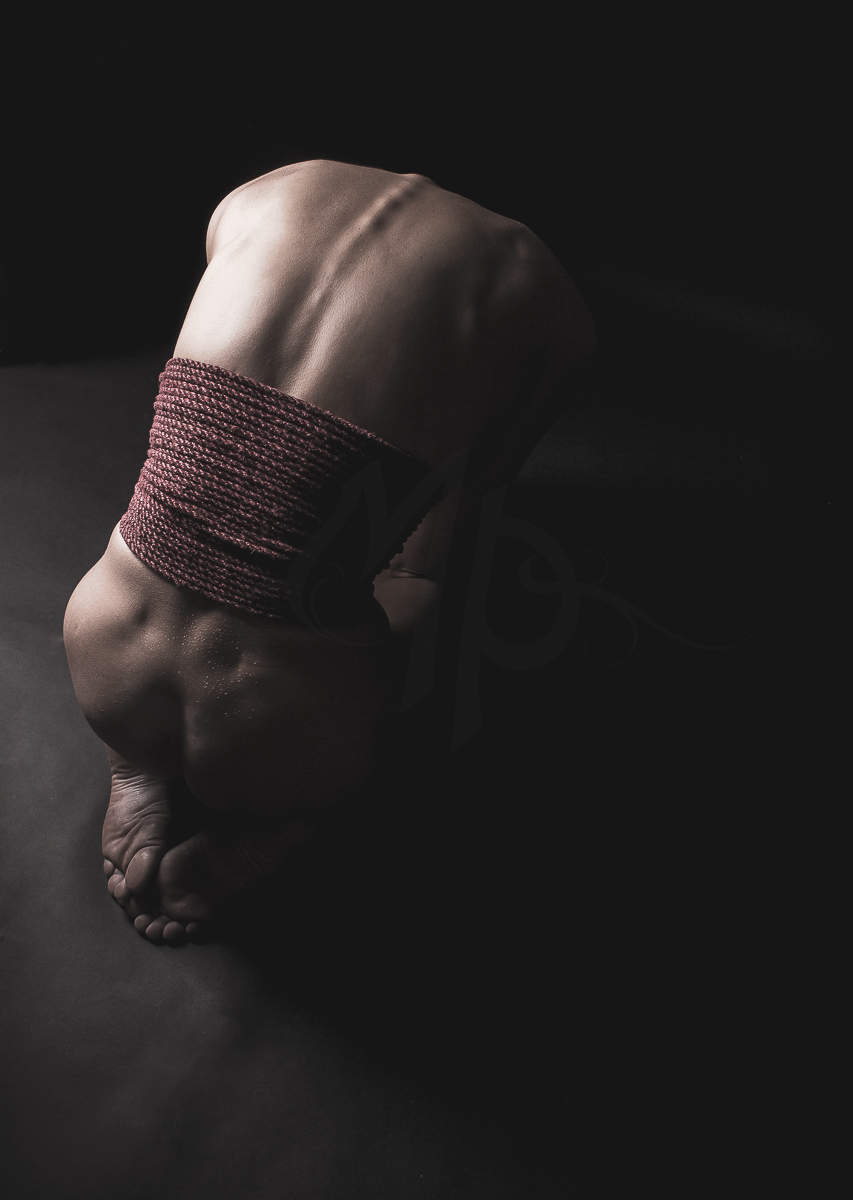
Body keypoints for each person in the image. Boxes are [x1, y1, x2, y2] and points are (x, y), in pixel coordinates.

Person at [62, 159, 596, 944]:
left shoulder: (265, 191)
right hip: (283, 731)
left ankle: (136, 757)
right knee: (414, 604)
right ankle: (277, 828)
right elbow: (470, 497)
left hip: (101, 642)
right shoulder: (543, 294)